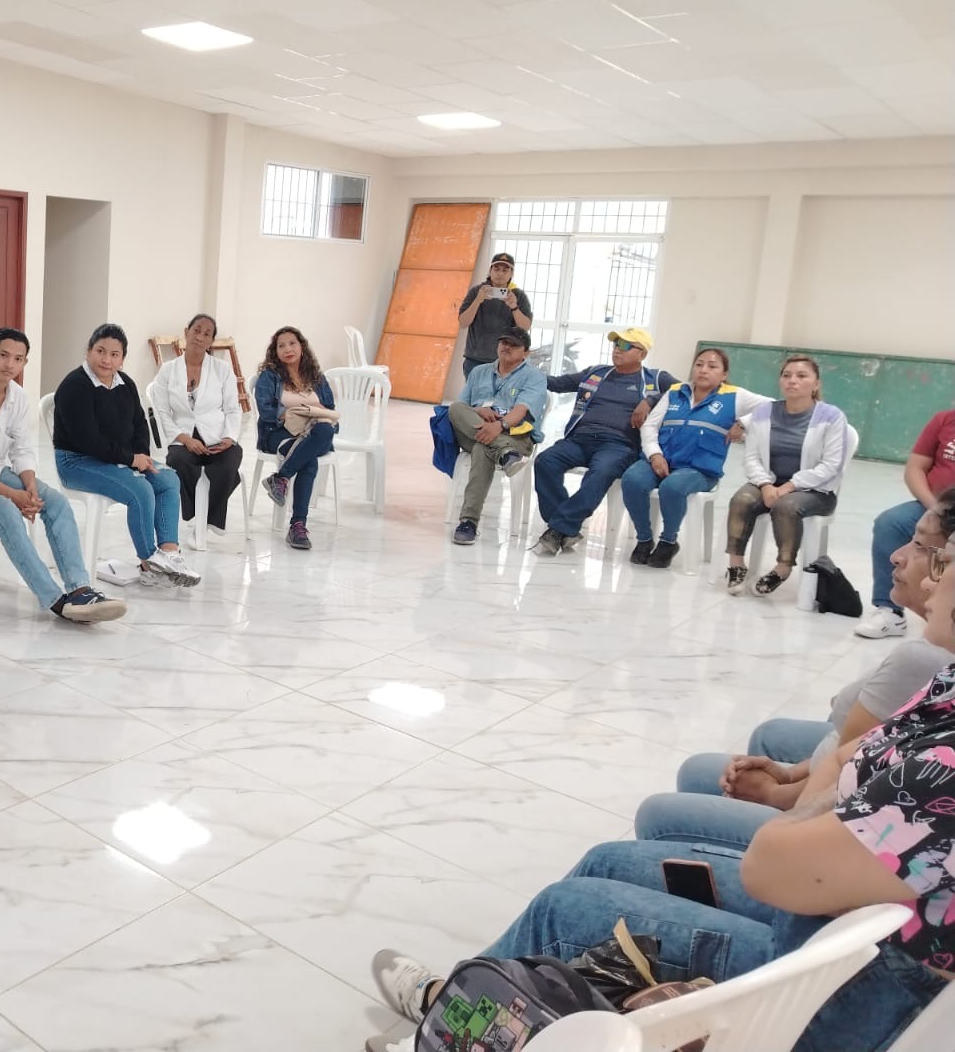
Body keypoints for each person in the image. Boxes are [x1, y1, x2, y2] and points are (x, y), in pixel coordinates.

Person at [371, 544, 955, 1052]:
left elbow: (771, 864)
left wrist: (830, 780)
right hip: (832, 922)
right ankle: (535, 1009)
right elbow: (846, 760)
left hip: (837, 982)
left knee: (562, 908)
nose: (933, 577)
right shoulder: (946, 681)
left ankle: (452, 1019)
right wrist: (835, 776)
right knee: (606, 862)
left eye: (946, 562)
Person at [635, 491, 955, 852]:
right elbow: (854, 754)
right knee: (756, 742)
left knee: (660, 813)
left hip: (829, 833)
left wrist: (775, 795)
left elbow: (849, 780)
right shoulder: (933, 659)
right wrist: (789, 775)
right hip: (834, 802)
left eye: (932, 555)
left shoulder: (929, 663)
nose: (896, 556)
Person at [0, 327, 126, 623]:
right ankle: (55, 600)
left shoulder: (18, 397)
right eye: (3, 355)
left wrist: (29, 486)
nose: (10, 364)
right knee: (7, 512)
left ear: (24, 362)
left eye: (18, 359)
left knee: (56, 502)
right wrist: (12, 495)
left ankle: (79, 589)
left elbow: (22, 449)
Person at [51, 323, 200, 587]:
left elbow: (139, 424)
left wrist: (141, 455)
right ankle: (149, 564)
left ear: (122, 358)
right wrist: (131, 461)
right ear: (89, 351)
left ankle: (169, 555)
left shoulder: (125, 383)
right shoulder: (75, 386)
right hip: (77, 461)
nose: (106, 360)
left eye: (114, 354)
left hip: (118, 457)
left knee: (168, 479)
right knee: (140, 489)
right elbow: (89, 441)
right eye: (100, 351)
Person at [531, 327, 677, 556]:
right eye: (616, 344)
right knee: (545, 461)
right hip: (580, 439)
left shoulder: (656, 378)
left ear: (642, 354)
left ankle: (559, 529)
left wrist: (650, 400)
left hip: (619, 445)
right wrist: (521, 369)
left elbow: (684, 391)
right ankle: (564, 527)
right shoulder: (596, 373)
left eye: (626, 346)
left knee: (600, 473)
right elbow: (557, 384)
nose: (618, 349)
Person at [621, 347, 768, 568]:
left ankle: (668, 541)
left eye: (712, 366)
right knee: (632, 480)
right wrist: (655, 455)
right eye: (699, 364)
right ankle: (644, 538)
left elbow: (774, 406)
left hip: (699, 469)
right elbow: (650, 426)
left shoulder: (734, 396)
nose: (703, 370)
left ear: (724, 374)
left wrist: (743, 423)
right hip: (660, 460)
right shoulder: (675, 391)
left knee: (672, 487)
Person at [725, 354, 848, 596]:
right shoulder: (763, 412)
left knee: (786, 506)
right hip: (769, 483)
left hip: (815, 490)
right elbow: (751, 458)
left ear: (816, 384)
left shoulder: (831, 417)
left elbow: (831, 465)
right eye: (787, 375)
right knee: (741, 500)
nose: (792, 381)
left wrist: (790, 486)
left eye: (801, 376)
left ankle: (783, 568)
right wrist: (765, 484)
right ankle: (736, 565)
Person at [857, 406, 955, 639]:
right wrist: (935, 509)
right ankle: (890, 611)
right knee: (891, 522)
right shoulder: (945, 419)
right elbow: (914, 469)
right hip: (933, 505)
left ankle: (943, 613)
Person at [447, 329, 547, 546]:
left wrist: (499, 425)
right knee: (455, 409)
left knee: (482, 448)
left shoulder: (534, 377)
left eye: (514, 345)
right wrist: (479, 411)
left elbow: (520, 411)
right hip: (476, 429)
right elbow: (462, 405)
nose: (506, 347)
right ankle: (505, 454)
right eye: (503, 342)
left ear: (526, 353)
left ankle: (468, 522)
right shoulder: (479, 372)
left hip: (515, 436)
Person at [150, 313, 244, 538]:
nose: (200, 337)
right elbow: (162, 413)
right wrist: (185, 439)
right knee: (177, 462)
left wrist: (229, 438)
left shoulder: (222, 369)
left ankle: (208, 520)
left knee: (231, 460)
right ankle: (196, 516)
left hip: (216, 437)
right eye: (197, 331)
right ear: (186, 332)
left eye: (207, 334)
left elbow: (233, 409)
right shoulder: (168, 370)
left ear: (211, 341)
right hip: (183, 438)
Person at [254, 325, 340, 552]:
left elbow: (330, 409)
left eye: (292, 343)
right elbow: (266, 411)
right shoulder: (269, 376)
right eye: (281, 346)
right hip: (280, 432)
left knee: (325, 431)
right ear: (275, 352)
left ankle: (281, 477)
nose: (287, 349)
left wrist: (314, 412)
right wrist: (290, 413)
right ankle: (298, 526)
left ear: (302, 346)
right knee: (308, 460)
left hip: (314, 432)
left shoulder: (316, 377)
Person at [456, 250, 533, 378]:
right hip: (475, 360)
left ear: (511, 274)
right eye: (496, 269)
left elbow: (525, 327)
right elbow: (463, 323)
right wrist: (478, 300)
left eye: (505, 270)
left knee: (503, 392)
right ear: (490, 271)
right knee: (475, 391)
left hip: (506, 361)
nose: (500, 273)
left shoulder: (518, 296)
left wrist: (514, 307)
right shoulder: (476, 292)